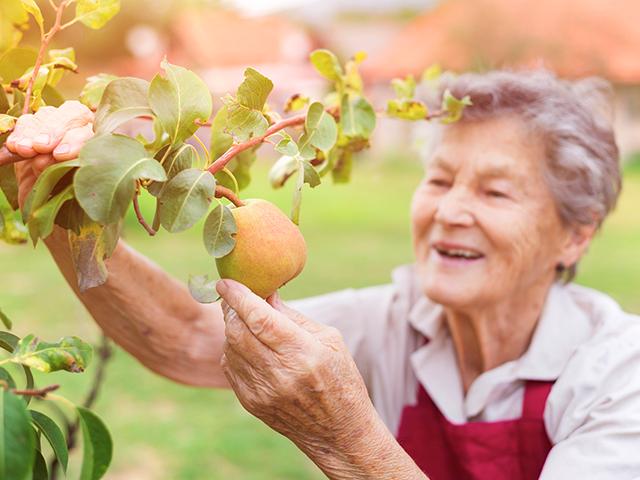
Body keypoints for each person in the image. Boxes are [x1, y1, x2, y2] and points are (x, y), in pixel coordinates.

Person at [3, 69, 640, 480]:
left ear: (576, 232)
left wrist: (350, 443)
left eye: (496, 193)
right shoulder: (397, 320)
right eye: (439, 180)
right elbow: (192, 342)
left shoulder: (620, 374)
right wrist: (65, 207)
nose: (449, 211)